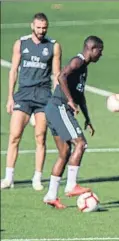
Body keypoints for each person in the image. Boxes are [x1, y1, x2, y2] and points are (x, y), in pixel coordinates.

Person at [1, 12, 62, 191]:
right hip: (24, 95)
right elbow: (13, 71)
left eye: (44, 28)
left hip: (43, 97)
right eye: (38, 27)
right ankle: (8, 177)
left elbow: (57, 75)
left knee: (40, 137)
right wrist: (10, 97)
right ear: (32, 26)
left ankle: (37, 177)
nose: (41, 31)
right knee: (14, 136)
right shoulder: (21, 44)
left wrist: (58, 98)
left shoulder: (53, 46)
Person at [42, 36, 104, 209]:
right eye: (100, 50)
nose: (102, 54)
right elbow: (61, 76)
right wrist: (69, 100)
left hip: (55, 109)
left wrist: (87, 118)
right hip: (59, 107)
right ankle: (71, 185)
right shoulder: (78, 61)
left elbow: (81, 95)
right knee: (81, 143)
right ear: (92, 49)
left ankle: (51, 195)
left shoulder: (83, 68)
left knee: (64, 152)